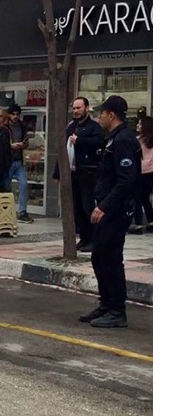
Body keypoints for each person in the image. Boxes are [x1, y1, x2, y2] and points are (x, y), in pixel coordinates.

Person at [78, 96, 140, 329]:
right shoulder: (113, 139)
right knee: (99, 257)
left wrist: (104, 206)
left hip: (115, 211)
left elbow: (126, 180)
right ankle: (106, 304)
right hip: (107, 209)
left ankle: (116, 310)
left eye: (101, 113)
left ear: (111, 115)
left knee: (111, 259)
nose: (98, 117)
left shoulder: (123, 140)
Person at [54, 97, 104, 252]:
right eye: (74, 108)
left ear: (86, 108)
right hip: (73, 172)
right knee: (77, 208)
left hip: (88, 172)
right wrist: (58, 173)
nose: (76, 111)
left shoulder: (94, 127)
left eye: (78, 108)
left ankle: (94, 239)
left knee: (88, 205)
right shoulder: (71, 127)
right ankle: (84, 237)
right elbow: (63, 151)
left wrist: (80, 141)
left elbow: (99, 143)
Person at [7, 104, 35, 223]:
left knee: (24, 184)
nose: (15, 116)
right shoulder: (5, 127)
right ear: (9, 115)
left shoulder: (22, 126)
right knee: (6, 187)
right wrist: (11, 146)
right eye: (13, 114)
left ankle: (22, 211)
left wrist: (24, 144)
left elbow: (27, 142)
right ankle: (7, 210)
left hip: (18, 160)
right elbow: (1, 144)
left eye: (17, 114)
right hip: (8, 161)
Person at [129, 115, 153, 234]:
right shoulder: (151, 140)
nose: (137, 126)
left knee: (138, 198)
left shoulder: (138, 140)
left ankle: (138, 223)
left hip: (141, 172)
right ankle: (151, 221)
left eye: (140, 124)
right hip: (151, 171)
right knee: (145, 199)